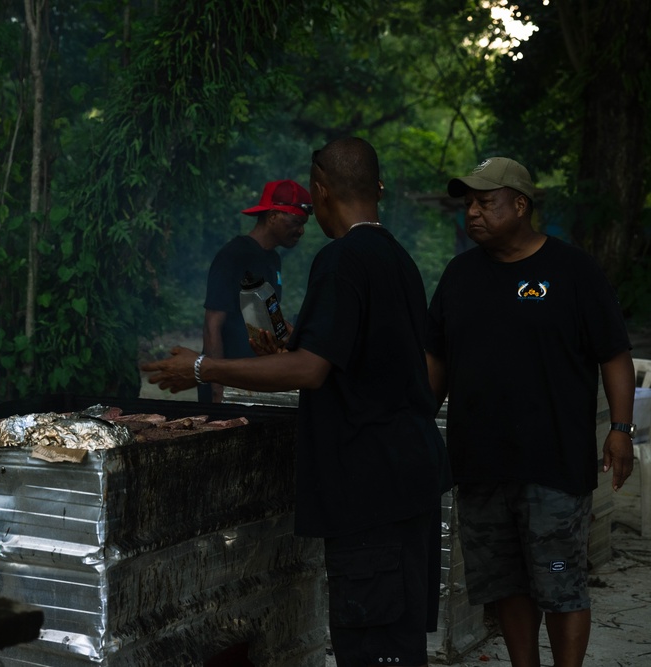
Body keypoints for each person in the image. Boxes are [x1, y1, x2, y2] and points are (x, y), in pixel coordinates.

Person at [144, 137, 450, 667]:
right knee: (399, 644)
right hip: (409, 477)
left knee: (372, 648)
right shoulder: (398, 258)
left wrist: (201, 366)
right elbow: (373, 355)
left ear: (321, 189)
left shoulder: (341, 259)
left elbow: (311, 370)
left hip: (368, 486)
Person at [424, 157, 635, 667]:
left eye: (485, 202)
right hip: (479, 465)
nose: (472, 213)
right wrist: (417, 421)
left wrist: (622, 429)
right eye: (468, 204)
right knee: (506, 582)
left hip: (552, 465)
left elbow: (614, 353)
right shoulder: (459, 275)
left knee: (561, 583)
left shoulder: (572, 270)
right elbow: (436, 358)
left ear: (520, 205)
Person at [199, 179, 310, 402]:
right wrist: (216, 388)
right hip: (228, 381)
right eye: (296, 222)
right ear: (273, 216)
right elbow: (212, 325)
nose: (301, 231)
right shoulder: (233, 256)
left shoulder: (273, 259)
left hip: (255, 378)